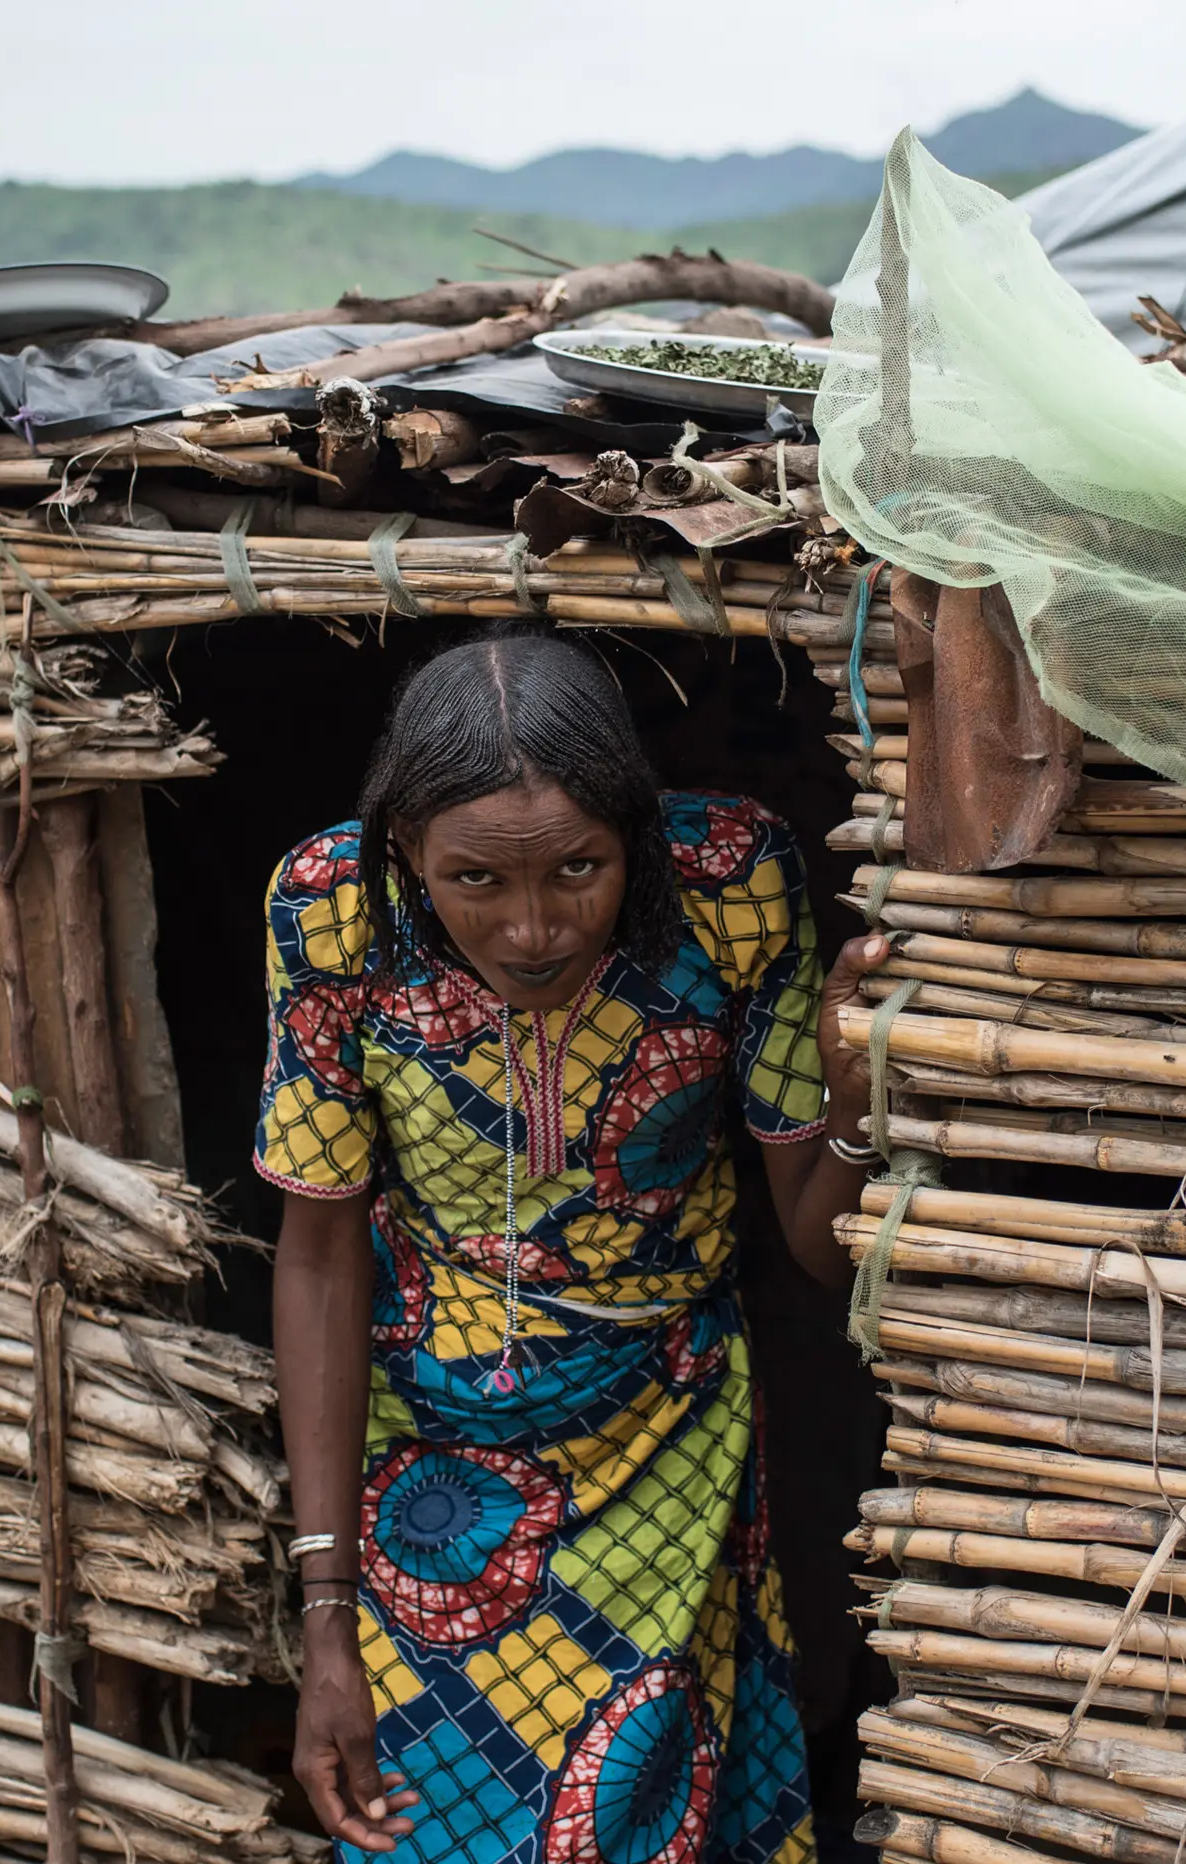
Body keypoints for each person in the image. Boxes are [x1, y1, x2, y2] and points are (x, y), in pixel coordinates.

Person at [259, 630, 891, 1864]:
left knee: (636, 1825)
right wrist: (326, 1619)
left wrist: (857, 1109)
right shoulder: (332, 911)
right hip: (425, 1472)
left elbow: (820, 1255)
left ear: (638, 837)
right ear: (405, 855)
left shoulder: (729, 883)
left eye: (579, 868)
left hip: (667, 1444)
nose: (535, 926)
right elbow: (319, 1254)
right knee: (422, 1832)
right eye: (476, 882)